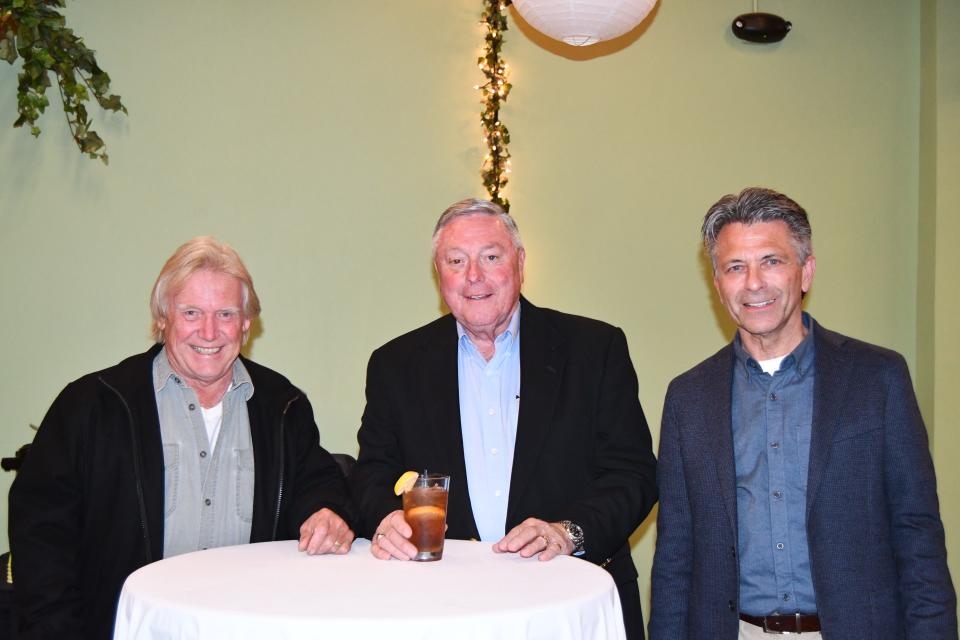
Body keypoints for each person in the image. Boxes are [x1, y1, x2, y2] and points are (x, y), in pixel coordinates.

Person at [649, 187, 957, 639]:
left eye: (771, 261)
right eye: (736, 267)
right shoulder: (688, 398)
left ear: (806, 271)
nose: (754, 282)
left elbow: (918, 535)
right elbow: (675, 554)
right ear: (718, 284)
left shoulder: (879, 379)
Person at [9, 236, 354, 640]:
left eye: (225, 313)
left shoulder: (283, 407)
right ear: (162, 318)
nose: (209, 332)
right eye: (191, 312)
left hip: (250, 627)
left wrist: (327, 510)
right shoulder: (92, 406)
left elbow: (319, 483)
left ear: (247, 323)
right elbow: (41, 537)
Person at [350, 198, 658, 639]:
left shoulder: (594, 349)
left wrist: (568, 532)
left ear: (520, 263)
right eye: (456, 261)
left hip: (568, 604)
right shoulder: (395, 364)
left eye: (491, 257)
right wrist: (385, 519)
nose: (473, 276)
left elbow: (633, 473)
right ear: (439, 274)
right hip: (440, 609)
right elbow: (372, 474)